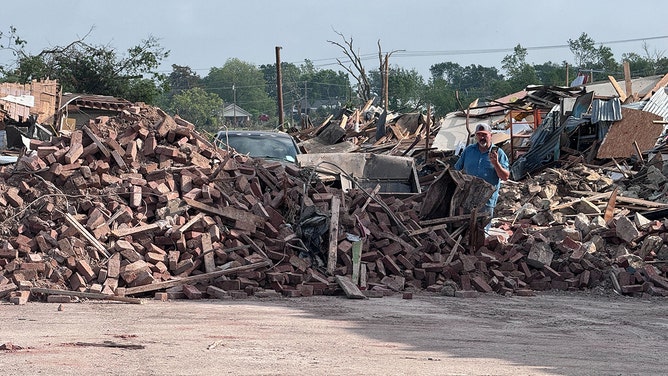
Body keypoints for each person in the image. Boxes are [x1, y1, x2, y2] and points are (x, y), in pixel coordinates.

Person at [454, 122, 510, 229]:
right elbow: (457, 169)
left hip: (487, 200)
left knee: (483, 231)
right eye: (479, 135)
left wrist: (496, 164)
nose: (482, 137)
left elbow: (505, 177)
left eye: (484, 134)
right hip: (468, 197)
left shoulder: (499, 153)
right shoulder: (469, 151)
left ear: (491, 135)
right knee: (466, 229)